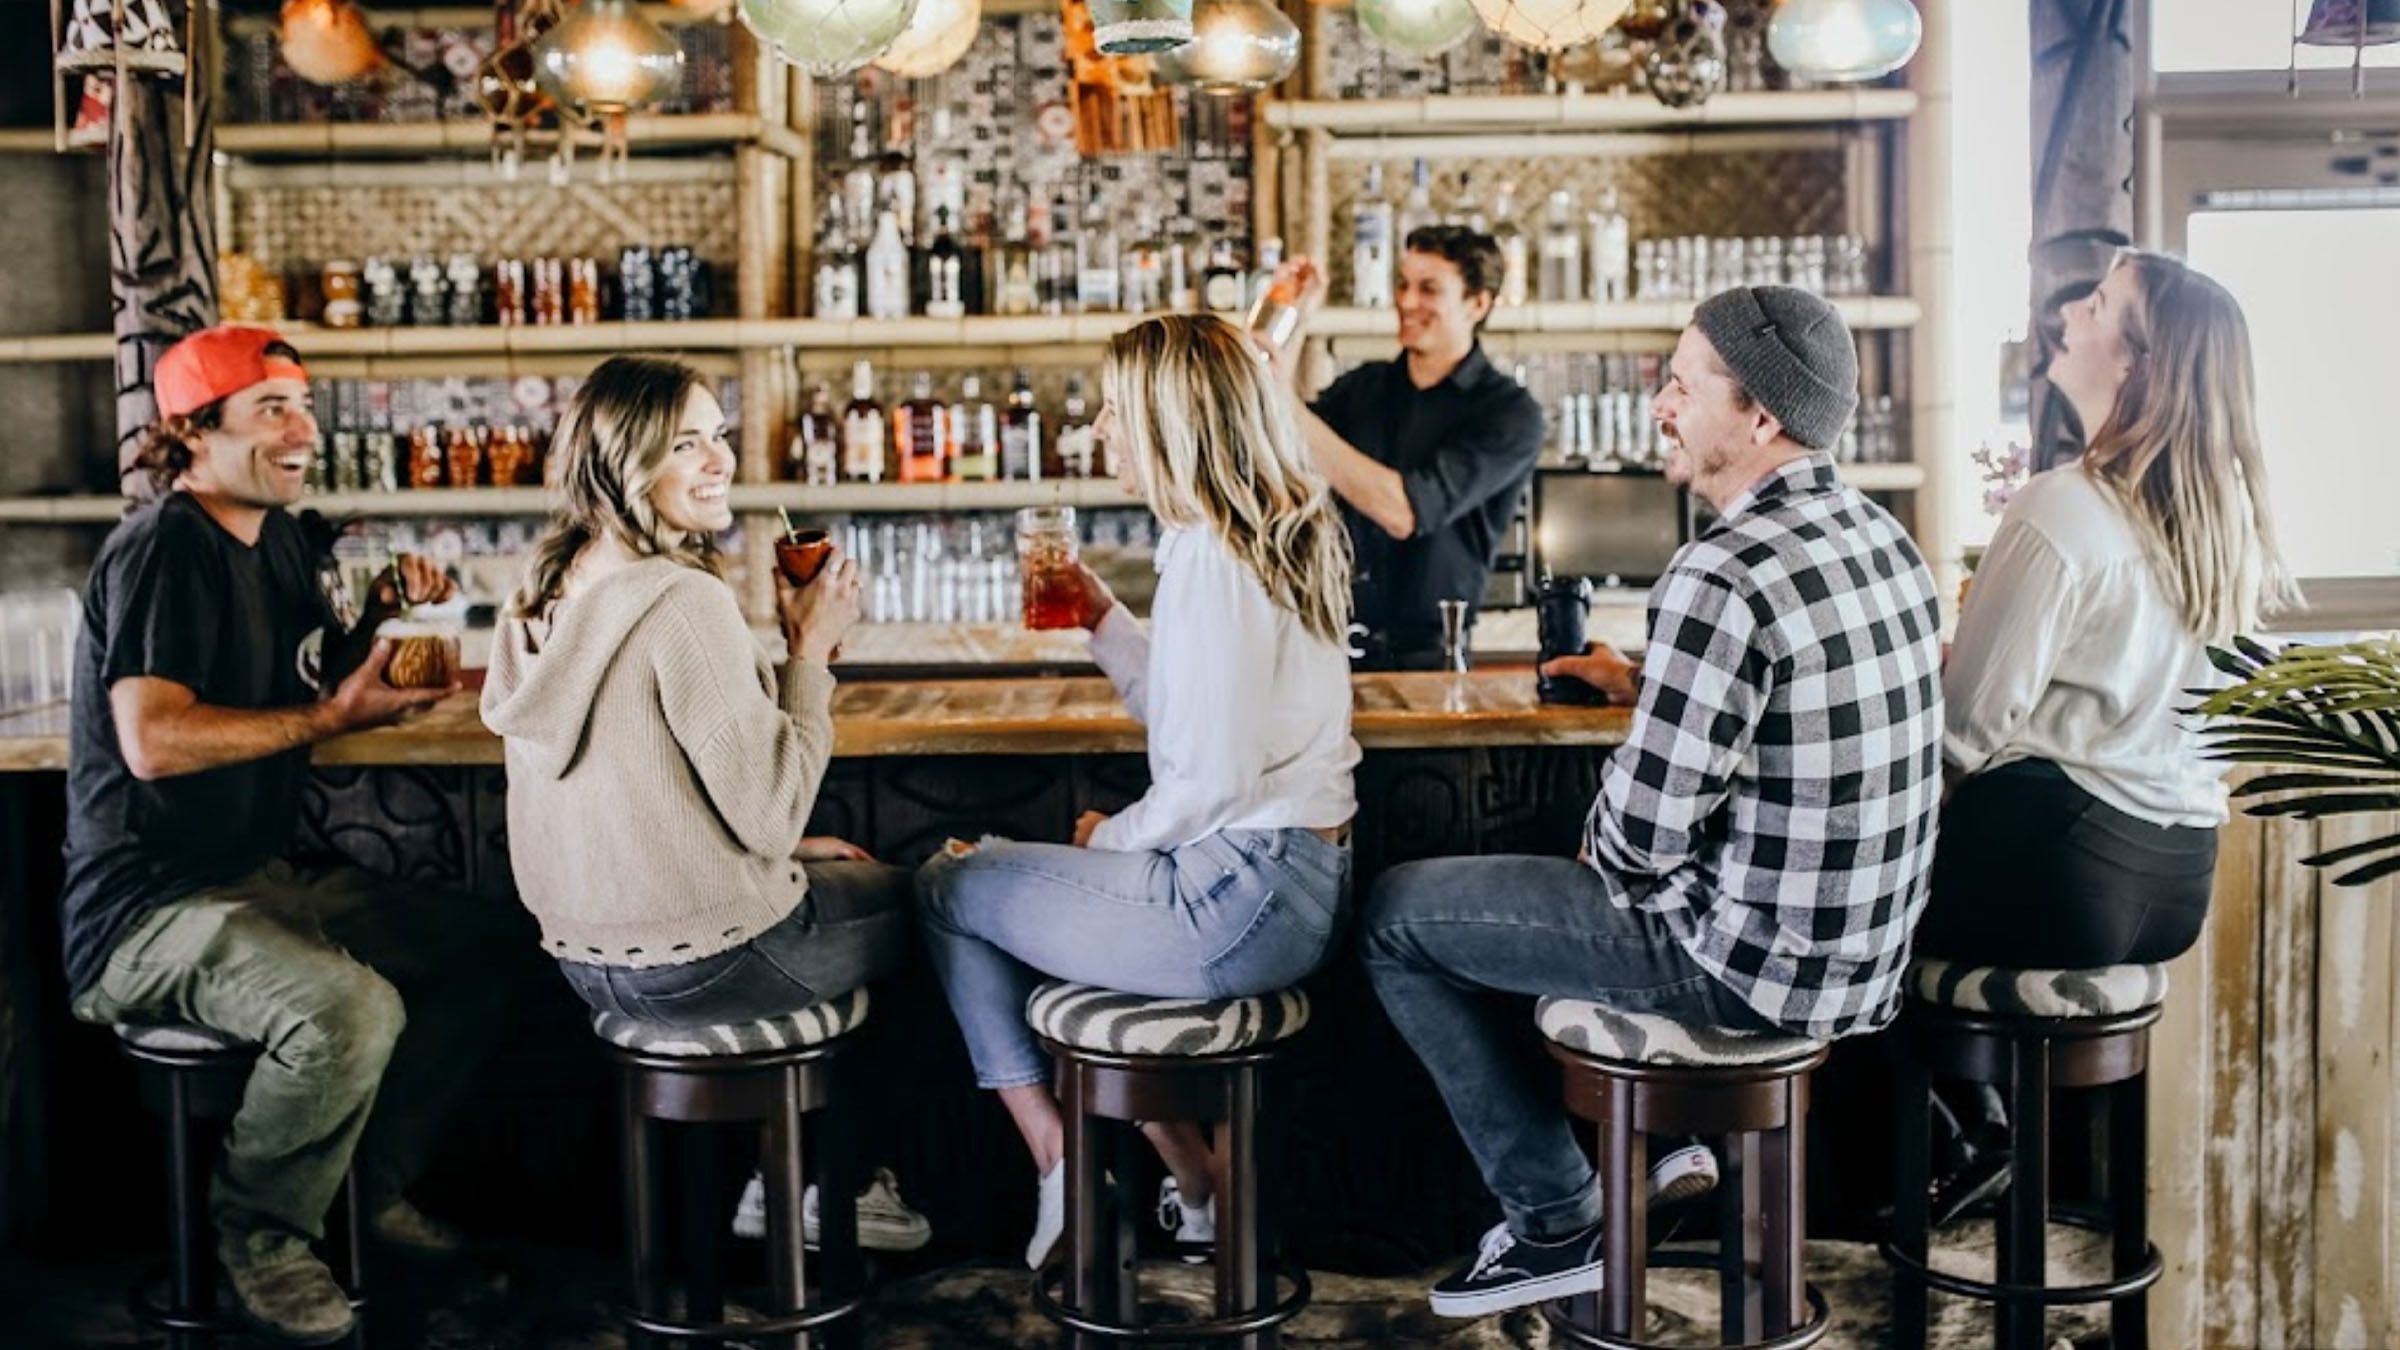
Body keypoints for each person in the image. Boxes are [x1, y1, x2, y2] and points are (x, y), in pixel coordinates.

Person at [1362, 286, 1945, 1318]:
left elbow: (1634, 846)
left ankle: (1557, 1224)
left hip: (1738, 971)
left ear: (1759, 415)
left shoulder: (1721, 569)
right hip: (1861, 971)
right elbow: (1798, 709)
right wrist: (1656, 683)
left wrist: (1619, 814)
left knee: (1397, 918)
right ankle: (1655, 1155)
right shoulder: (1885, 541)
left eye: (1680, 386)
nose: (1660, 405)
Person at [61, 325, 528, 1344]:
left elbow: (310, 673)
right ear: (192, 431)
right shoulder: (164, 550)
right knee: (348, 1011)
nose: (301, 428)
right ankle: (262, 1239)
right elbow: (153, 740)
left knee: (492, 947)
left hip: (256, 877)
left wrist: (383, 621)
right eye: (271, 408)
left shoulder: (277, 539)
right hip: (145, 913)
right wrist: (333, 721)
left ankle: (367, 1192)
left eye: (304, 406)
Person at [915, 314, 1359, 1270]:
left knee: (952, 887)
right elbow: (1200, 715)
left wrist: (1107, 841)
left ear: (1170, 419)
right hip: (1293, 885)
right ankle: (1198, 1188)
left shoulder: (1212, 556)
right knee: (1048, 923)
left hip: (1233, 897)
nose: (1100, 431)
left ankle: (1060, 1164)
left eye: (1117, 411)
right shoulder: (1269, 532)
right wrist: (1102, 617)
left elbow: (1208, 778)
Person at [480, 354, 930, 1255]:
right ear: (622, 465)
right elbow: (768, 815)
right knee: (933, 904)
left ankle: (787, 1178)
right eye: (685, 444)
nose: (719, 460)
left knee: (844, 878)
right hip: (709, 961)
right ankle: (828, 1184)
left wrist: (792, 859)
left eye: (717, 435)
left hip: (584, 963)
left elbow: (654, 798)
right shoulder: (683, 602)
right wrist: (813, 653)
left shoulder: (542, 596)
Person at [1917, 249, 2296, 1218]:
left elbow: (1964, 728)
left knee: (1835, 916)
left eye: (2096, 305)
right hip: (2174, 884)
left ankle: (1959, 1138)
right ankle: (1977, 1133)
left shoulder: (2062, 506)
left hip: (2056, 870)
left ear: (2136, 363)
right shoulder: (2227, 523)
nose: (2069, 316)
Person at [1270, 227, 1545, 669]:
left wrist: (1284, 402)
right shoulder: (1365, 387)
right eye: (1402, 284)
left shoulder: (1510, 414)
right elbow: (1279, 442)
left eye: (1428, 288)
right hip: (1331, 646)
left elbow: (1404, 512)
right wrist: (1293, 315)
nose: (1406, 300)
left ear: (1478, 303)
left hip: (1431, 659)